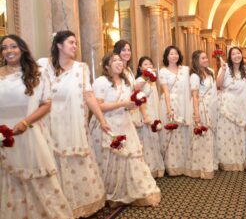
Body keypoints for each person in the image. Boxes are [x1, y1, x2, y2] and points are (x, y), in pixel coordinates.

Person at [0, 35, 73, 218]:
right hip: (2, 137)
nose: (9, 50)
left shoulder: (36, 73)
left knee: (40, 183)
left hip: (28, 133)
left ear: (22, 49)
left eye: (13, 46)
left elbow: (46, 104)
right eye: (4, 47)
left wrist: (25, 123)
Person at [37, 30, 108, 217]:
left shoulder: (81, 68)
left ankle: (79, 204)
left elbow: (89, 96)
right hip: (49, 124)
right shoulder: (43, 66)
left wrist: (101, 119)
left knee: (75, 163)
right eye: (71, 42)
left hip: (73, 125)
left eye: (76, 43)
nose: (75, 46)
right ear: (59, 45)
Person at [89, 53, 161, 207]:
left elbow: (130, 104)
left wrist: (134, 104)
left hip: (125, 122)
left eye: (120, 60)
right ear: (107, 65)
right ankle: (109, 193)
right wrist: (122, 103)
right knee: (110, 160)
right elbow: (98, 106)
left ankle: (133, 191)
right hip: (107, 124)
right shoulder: (101, 82)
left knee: (131, 157)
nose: (119, 62)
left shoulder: (126, 81)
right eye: (114, 60)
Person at [216, 47, 246, 171]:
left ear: (242, 55)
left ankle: (240, 160)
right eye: (233, 54)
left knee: (239, 133)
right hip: (227, 107)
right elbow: (218, 85)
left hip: (240, 107)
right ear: (230, 57)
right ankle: (227, 161)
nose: (236, 56)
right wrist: (223, 70)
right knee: (227, 134)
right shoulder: (224, 68)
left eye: (238, 53)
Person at [159, 46, 192, 176]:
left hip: (184, 103)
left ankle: (183, 164)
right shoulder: (163, 71)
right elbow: (166, 91)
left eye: (176, 53)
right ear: (166, 56)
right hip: (170, 103)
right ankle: (172, 166)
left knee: (183, 132)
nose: (174, 56)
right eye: (171, 54)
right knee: (171, 135)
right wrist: (168, 109)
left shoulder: (185, 70)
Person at [186, 50, 218, 179]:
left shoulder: (209, 72)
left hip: (210, 107)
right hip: (201, 108)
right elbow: (194, 97)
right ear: (196, 61)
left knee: (209, 137)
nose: (206, 59)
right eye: (203, 58)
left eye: (206, 57)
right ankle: (202, 168)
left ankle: (210, 164)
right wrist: (196, 114)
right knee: (202, 138)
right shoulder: (194, 76)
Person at [135, 56, 165, 178]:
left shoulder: (152, 81)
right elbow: (139, 98)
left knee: (154, 139)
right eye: (145, 64)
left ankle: (156, 167)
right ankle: (148, 168)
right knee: (145, 139)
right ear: (140, 68)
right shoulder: (139, 81)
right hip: (144, 112)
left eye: (150, 64)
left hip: (153, 110)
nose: (148, 66)